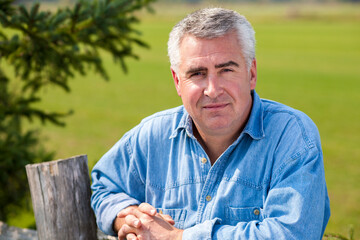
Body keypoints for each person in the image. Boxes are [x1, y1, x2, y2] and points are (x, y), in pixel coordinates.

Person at [91, 7, 330, 240]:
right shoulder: (152, 135)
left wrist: (180, 238)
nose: (212, 90)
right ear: (177, 81)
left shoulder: (292, 136)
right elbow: (103, 188)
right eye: (197, 74)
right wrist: (129, 220)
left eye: (226, 70)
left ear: (252, 73)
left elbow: (293, 234)